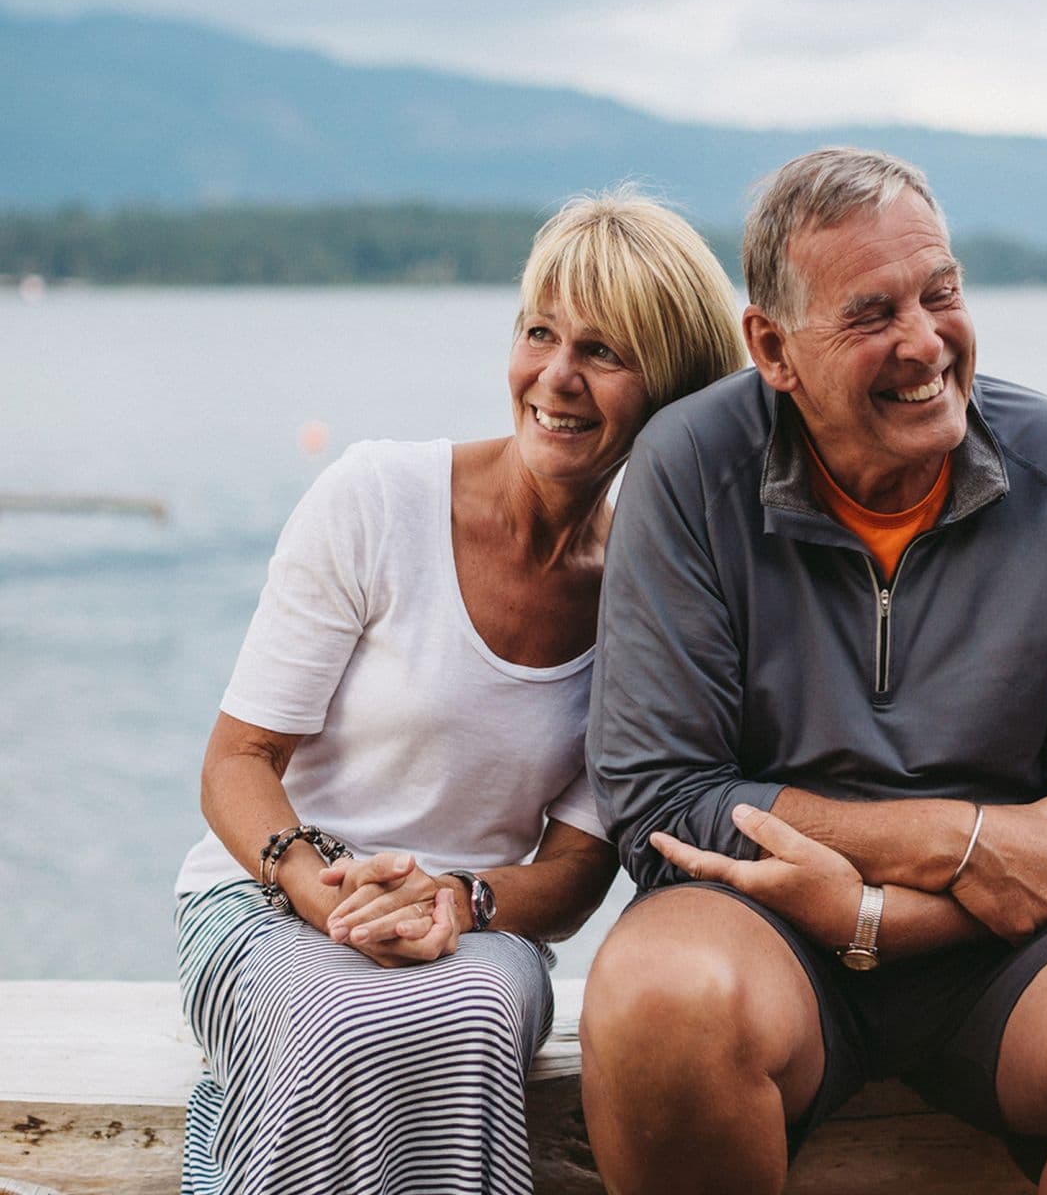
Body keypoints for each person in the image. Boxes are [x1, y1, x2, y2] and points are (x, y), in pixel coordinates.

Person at [582, 148, 1047, 1194]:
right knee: (658, 1004)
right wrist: (947, 840)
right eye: (871, 314)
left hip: (1014, 947)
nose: (925, 342)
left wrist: (890, 917)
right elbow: (659, 800)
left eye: (941, 293)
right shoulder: (690, 465)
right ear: (772, 347)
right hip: (760, 920)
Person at [173, 192, 745, 1195]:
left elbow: (574, 871)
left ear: (677, 393)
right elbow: (236, 763)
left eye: (604, 353)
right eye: (539, 332)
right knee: (333, 1013)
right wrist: (326, 893)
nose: (554, 377)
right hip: (268, 896)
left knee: (473, 1012)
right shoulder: (375, 499)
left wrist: (457, 901)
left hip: (474, 927)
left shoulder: (653, 602)